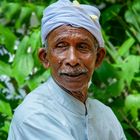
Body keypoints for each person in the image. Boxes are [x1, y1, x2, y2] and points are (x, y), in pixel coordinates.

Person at [8, 0, 127, 140]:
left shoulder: (104, 115)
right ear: (45, 57)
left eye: (82, 46)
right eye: (61, 46)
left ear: (99, 58)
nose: (72, 60)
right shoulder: (34, 114)